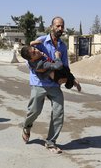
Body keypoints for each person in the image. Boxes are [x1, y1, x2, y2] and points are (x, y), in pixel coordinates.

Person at [22, 16, 75, 154]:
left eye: (62, 26)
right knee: (34, 111)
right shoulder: (40, 42)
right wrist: (38, 70)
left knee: (58, 113)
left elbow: (64, 66)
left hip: (54, 85)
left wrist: (66, 79)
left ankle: (51, 142)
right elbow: (29, 59)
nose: (60, 28)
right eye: (57, 26)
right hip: (39, 83)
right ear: (51, 27)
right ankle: (27, 126)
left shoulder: (63, 46)